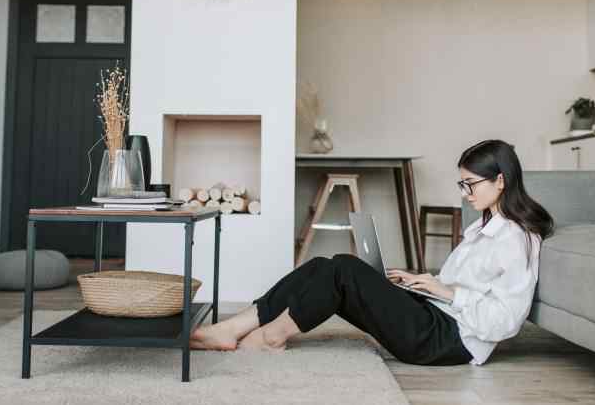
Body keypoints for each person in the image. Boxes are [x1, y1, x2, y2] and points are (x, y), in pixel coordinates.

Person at [190, 139, 555, 366]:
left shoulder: (516, 240)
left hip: (449, 341)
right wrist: (424, 282)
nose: (464, 193)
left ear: (500, 180)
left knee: (343, 270)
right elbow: (464, 286)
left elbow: (506, 322)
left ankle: (270, 337)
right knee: (323, 265)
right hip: (436, 316)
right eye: (462, 184)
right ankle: (237, 326)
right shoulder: (484, 227)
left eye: (470, 184)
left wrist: (446, 292)